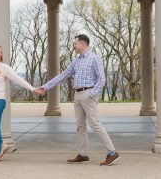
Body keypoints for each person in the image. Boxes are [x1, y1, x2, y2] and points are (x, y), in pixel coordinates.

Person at [36, 34, 120, 166]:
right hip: (77, 95)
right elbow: (63, 75)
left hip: (88, 94)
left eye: (75, 43)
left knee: (95, 124)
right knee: (80, 126)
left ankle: (112, 152)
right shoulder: (76, 60)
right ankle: (83, 154)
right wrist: (45, 87)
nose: (74, 45)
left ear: (83, 44)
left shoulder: (94, 58)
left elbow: (102, 79)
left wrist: (91, 94)